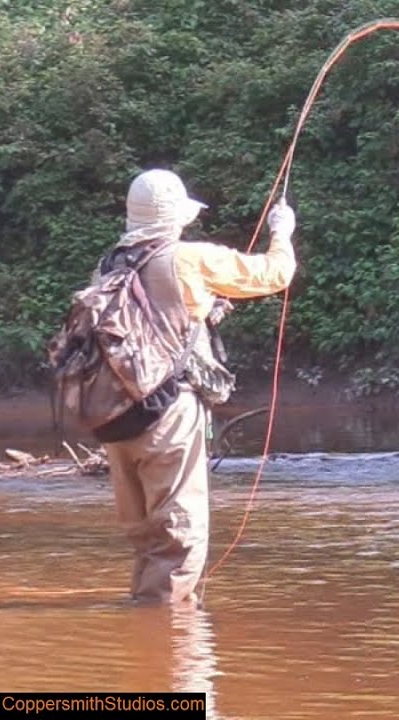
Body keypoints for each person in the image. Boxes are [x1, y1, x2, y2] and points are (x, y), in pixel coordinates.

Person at [100, 168, 297, 606]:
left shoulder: (109, 264)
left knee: (149, 534)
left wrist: (203, 313)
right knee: (180, 538)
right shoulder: (188, 258)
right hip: (169, 414)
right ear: (175, 216)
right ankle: (174, 651)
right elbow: (275, 273)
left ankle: (144, 641)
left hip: (116, 416)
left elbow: (152, 321)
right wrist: (282, 231)